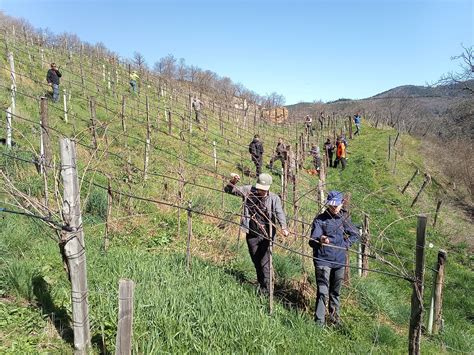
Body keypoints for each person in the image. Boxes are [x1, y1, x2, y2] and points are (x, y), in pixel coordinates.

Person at [225, 173, 289, 294]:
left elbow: (279, 212)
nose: (261, 191)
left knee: (265, 263)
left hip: (267, 236)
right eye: (260, 188)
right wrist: (233, 181)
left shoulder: (274, 198)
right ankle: (261, 285)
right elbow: (228, 190)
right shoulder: (248, 190)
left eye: (264, 189)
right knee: (256, 261)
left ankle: (267, 292)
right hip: (252, 234)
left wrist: (284, 227)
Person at [309, 191, 359, 326]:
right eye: (332, 206)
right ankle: (319, 323)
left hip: (339, 261)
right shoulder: (320, 219)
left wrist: (345, 245)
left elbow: (355, 234)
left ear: (341, 203)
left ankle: (335, 320)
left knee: (335, 292)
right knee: (322, 292)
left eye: (337, 206)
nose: (334, 208)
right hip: (323, 260)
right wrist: (321, 239)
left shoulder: (344, 219)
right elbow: (313, 239)